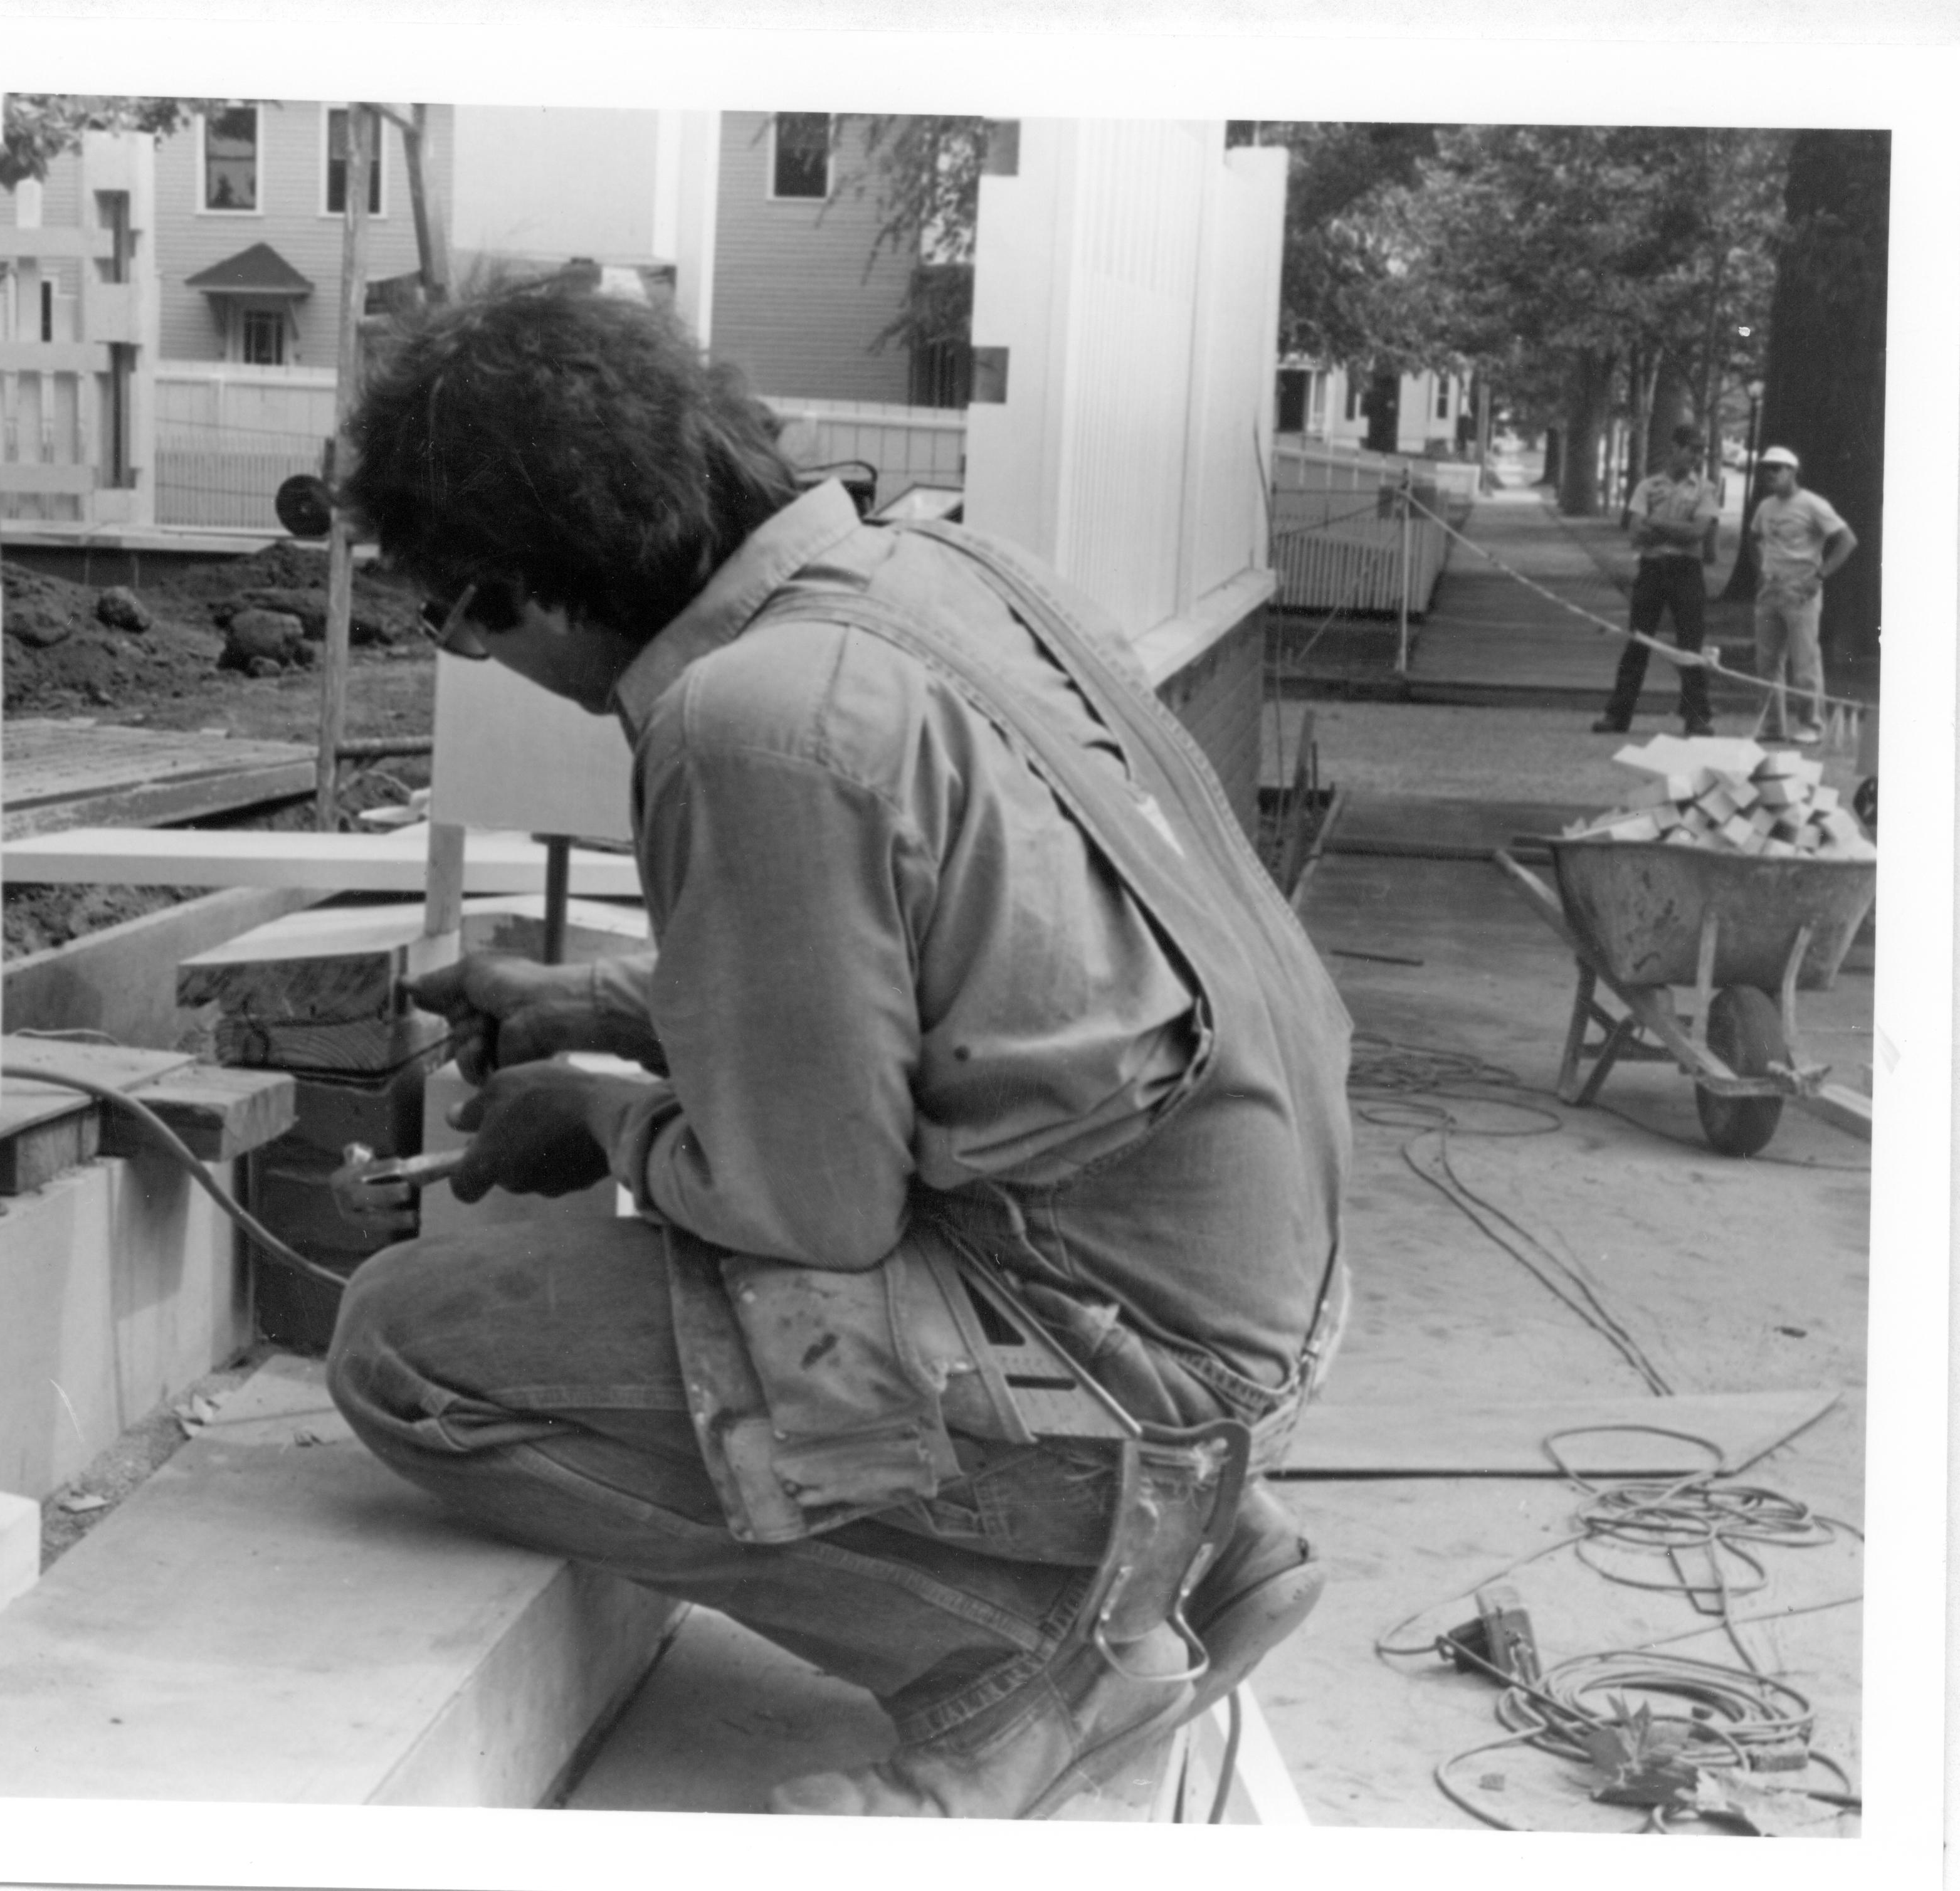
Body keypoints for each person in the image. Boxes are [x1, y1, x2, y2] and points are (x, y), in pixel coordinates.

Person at [324, 278, 1352, 1820]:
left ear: (512, 590)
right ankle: (1206, 1532)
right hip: (1262, 1278)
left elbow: (814, 1212)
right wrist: (608, 999)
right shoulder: (935, 569)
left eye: (451, 620)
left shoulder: (747, 718)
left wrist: (601, 1120)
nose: (474, 654)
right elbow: (977, 985)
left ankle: (1035, 1658)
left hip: (1125, 1349)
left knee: (406, 1343)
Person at [1592, 424, 1720, 737]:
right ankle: (1618, 715)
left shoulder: (1706, 489)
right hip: (1652, 570)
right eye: (1691, 449)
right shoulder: (1648, 487)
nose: (1696, 457)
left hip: (1687, 571)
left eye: (1701, 451)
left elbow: (1699, 533)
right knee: (1639, 641)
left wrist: (1657, 523)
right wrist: (1677, 528)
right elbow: (1636, 532)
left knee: (1690, 645)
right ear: (1674, 448)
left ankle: (1696, 718)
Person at [1747, 446, 1858, 745]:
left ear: (1793, 472)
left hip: (1801, 590)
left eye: (1778, 468)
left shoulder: (1812, 504)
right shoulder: (1765, 507)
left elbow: (1847, 540)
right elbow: (1754, 537)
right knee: (1767, 663)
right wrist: (1761, 568)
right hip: (1770, 588)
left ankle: (1812, 724)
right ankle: (1772, 725)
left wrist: (1819, 576)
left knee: (1805, 661)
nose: (1771, 474)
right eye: (1767, 468)